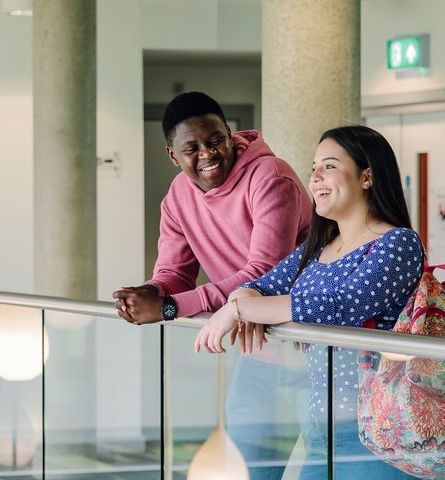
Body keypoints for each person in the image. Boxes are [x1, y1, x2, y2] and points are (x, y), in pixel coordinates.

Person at [195, 125, 424, 479]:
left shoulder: (398, 243)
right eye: (313, 168)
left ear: (367, 176)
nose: (315, 177)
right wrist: (241, 301)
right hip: (319, 432)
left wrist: (239, 310)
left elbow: (342, 306)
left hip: (378, 436)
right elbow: (258, 285)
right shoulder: (319, 248)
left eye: (329, 166)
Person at [112, 91, 311, 479]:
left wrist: (170, 308)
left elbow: (265, 274)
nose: (208, 153)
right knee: (249, 469)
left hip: (313, 344)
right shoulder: (177, 198)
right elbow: (174, 274)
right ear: (173, 155)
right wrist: (150, 294)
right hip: (259, 349)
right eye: (192, 147)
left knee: (328, 465)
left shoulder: (270, 176)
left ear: (229, 133)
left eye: (216, 139)